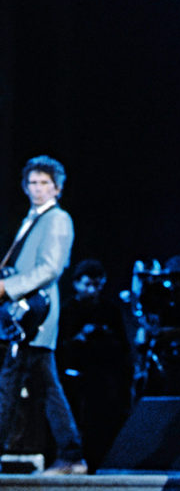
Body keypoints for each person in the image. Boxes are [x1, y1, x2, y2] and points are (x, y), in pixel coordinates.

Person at [0, 155, 87, 474]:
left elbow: (50, 268)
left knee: (10, 385)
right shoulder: (34, 219)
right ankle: (72, 453)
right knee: (44, 386)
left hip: (35, 317)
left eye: (44, 183)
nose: (37, 188)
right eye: (33, 183)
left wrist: (8, 288)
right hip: (23, 317)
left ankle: (72, 454)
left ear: (57, 188)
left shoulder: (57, 219)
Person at [57, 259, 132, 470]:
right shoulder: (68, 310)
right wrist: (80, 337)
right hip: (76, 379)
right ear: (76, 284)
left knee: (105, 424)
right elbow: (60, 346)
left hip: (106, 379)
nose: (92, 291)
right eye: (88, 285)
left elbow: (123, 346)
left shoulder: (109, 310)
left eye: (97, 285)